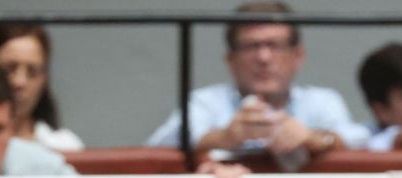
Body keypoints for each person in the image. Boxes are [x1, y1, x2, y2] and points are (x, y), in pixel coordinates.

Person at [144, 1, 369, 169]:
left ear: (298, 57)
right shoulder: (206, 102)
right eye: (251, 47)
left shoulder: (321, 100)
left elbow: (362, 139)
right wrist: (225, 137)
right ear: (230, 60)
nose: (263, 58)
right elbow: (159, 145)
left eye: (274, 46)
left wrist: (313, 139)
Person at [0, 22, 84, 152]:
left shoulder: (65, 147)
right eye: (9, 69)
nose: (19, 82)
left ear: (44, 79)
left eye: (32, 72)